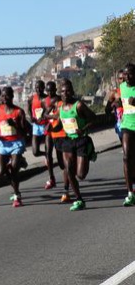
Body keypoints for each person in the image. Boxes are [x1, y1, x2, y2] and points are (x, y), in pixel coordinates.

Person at [57, 79, 96, 211]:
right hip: (67, 141)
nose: (65, 93)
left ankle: (90, 151)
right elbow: (59, 120)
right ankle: (79, 199)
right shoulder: (60, 107)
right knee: (68, 169)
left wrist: (84, 129)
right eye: (63, 91)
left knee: (81, 175)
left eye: (68, 91)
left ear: (72, 92)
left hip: (81, 140)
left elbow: (93, 118)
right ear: (60, 94)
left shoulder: (78, 105)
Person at [0, 87, 27, 207]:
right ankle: (16, 165)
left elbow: (24, 132)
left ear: (12, 97)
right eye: (2, 96)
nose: (4, 98)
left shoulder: (19, 112)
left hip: (16, 143)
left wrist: (15, 125)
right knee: (0, 172)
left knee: (14, 169)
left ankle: (17, 195)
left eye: (7, 95)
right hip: (3, 144)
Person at [43, 81, 70, 202]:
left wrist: (56, 118)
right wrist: (52, 118)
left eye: (52, 90)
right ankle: (62, 182)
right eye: (48, 91)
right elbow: (45, 114)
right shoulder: (54, 103)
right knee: (61, 164)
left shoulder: (63, 102)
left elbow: (62, 118)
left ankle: (66, 190)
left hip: (65, 135)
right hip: (55, 135)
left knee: (65, 165)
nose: (50, 93)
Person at [120, 63, 135, 206]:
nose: (127, 77)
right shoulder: (122, 87)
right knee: (126, 157)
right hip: (127, 126)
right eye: (125, 74)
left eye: (130, 74)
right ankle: (130, 192)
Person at [28, 80, 48, 158]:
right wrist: (31, 117)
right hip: (36, 126)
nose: (38, 90)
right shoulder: (31, 99)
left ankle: (48, 157)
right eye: (36, 88)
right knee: (35, 152)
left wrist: (44, 117)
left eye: (40, 88)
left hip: (46, 125)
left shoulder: (47, 99)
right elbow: (29, 109)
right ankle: (45, 155)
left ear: (43, 88)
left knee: (48, 148)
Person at [105, 69, 125, 143]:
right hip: (121, 124)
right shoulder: (114, 93)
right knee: (126, 150)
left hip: (132, 122)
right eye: (120, 78)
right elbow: (107, 110)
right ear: (117, 80)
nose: (123, 80)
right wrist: (113, 105)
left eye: (124, 78)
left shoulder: (132, 91)